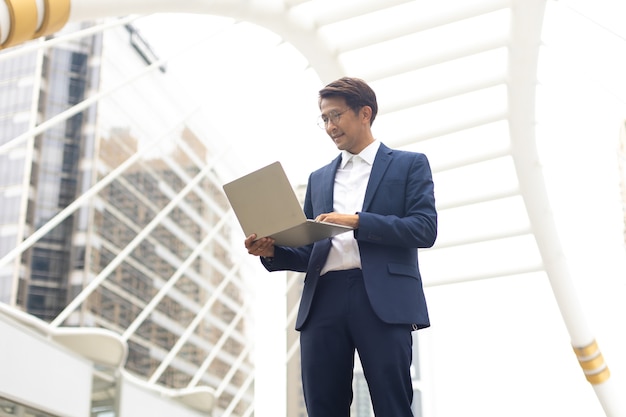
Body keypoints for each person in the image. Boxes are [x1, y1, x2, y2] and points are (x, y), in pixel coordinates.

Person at [244, 77, 437, 417]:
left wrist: (357, 221)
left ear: (365, 113)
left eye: (336, 116)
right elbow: (310, 250)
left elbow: (424, 229)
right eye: (324, 119)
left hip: (382, 297)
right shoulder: (319, 178)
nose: (330, 126)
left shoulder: (409, 164)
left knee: (393, 405)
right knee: (323, 407)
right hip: (323, 300)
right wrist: (272, 250)